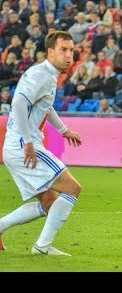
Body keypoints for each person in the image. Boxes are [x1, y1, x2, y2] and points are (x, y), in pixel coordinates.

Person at [0, 31, 82, 256]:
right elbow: (17, 103)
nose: (68, 55)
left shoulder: (49, 75)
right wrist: (28, 141)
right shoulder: (40, 74)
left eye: (71, 50)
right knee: (73, 189)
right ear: (50, 52)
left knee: (49, 201)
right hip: (24, 145)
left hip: (15, 146)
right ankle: (42, 247)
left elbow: (46, 105)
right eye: (63, 50)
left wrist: (64, 130)